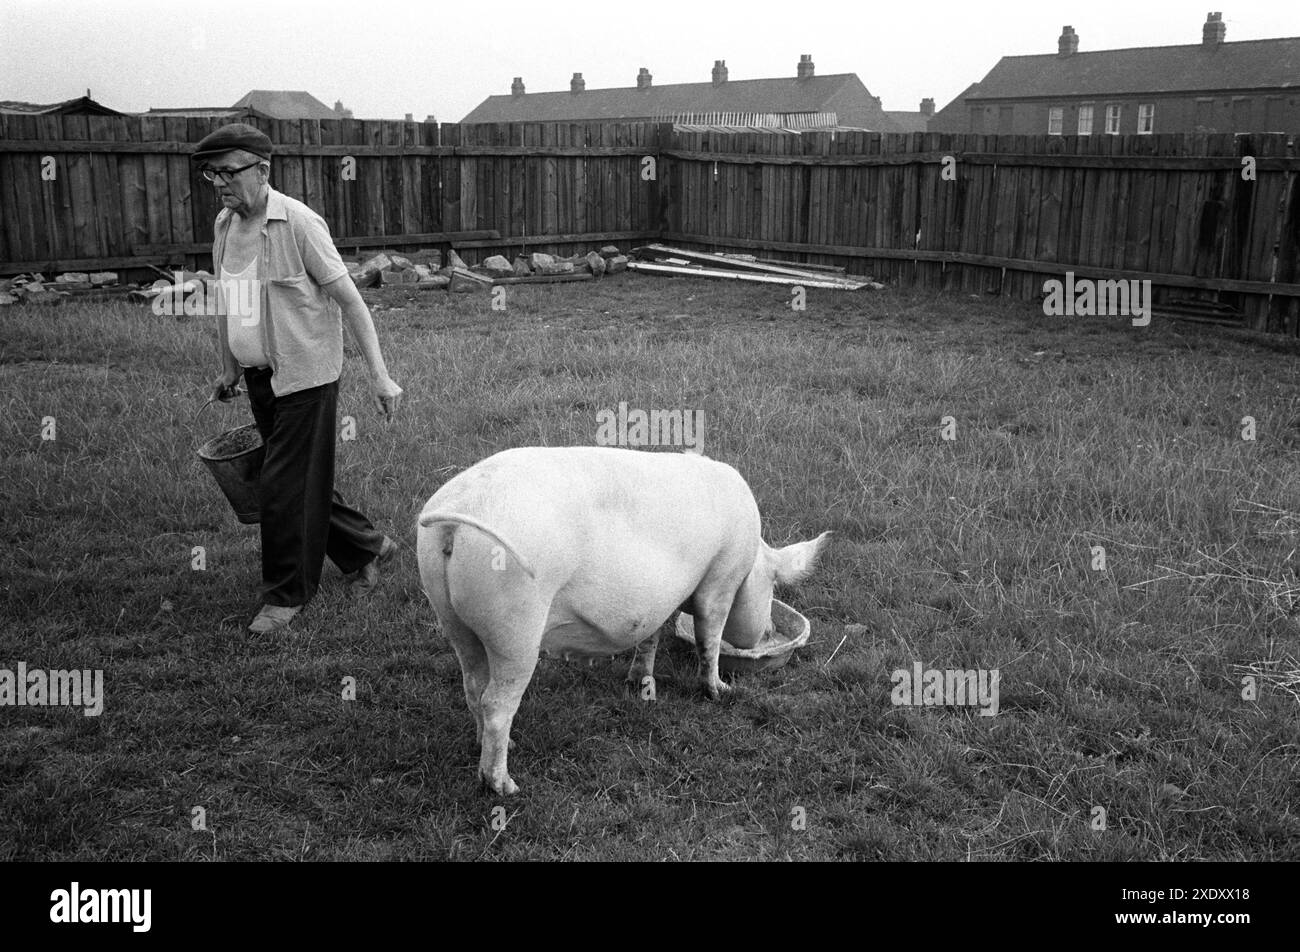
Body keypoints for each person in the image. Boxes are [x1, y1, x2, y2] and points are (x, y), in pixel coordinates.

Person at [192, 123, 404, 634]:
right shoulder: (225, 226)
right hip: (262, 378)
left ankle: (286, 596)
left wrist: (381, 376)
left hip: (306, 378)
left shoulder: (300, 224)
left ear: (262, 171)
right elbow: (230, 302)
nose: (219, 182)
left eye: (228, 171)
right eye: (210, 173)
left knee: (281, 485)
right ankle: (366, 545)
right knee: (301, 476)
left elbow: (350, 301)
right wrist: (228, 365)